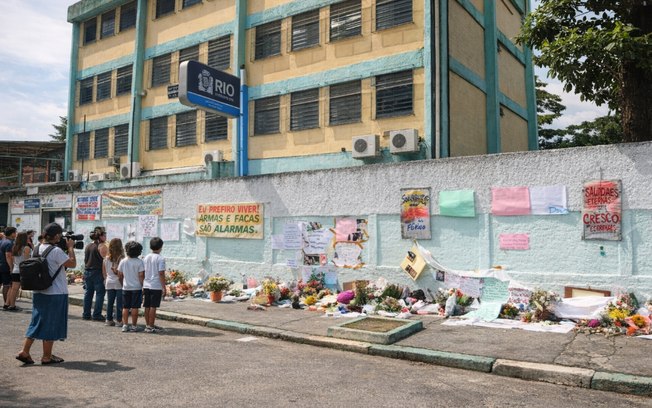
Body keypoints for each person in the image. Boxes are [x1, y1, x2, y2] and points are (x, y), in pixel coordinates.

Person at [16, 222, 76, 365]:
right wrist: (70, 248)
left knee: (37, 321)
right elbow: (72, 264)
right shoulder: (56, 251)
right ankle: (46, 356)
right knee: (51, 324)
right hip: (56, 292)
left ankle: (25, 351)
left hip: (39, 290)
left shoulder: (37, 248)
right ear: (56, 236)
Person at [117, 241, 144, 332]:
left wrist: (122, 283)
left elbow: (120, 275)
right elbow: (141, 275)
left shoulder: (123, 261)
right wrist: (142, 285)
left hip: (126, 287)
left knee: (125, 307)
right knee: (135, 307)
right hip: (137, 287)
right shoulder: (140, 262)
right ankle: (134, 325)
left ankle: (125, 325)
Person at [83, 227, 108, 321]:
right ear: (100, 237)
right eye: (104, 235)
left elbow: (86, 260)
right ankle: (97, 314)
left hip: (87, 271)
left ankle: (86, 314)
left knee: (88, 293)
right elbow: (105, 260)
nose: (105, 236)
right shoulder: (101, 246)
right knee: (100, 294)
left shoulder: (88, 246)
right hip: (97, 271)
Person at [143, 237, 166, 333]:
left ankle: (148, 324)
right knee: (153, 306)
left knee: (147, 306)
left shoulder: (146, 257)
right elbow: (161, 273)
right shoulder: (160, 258)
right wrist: (164, 287)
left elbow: (143, 271)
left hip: (146, 284)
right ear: (161, 247)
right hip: (155, 285)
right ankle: (151, 326)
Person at [102, 238, 124, 327]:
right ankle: (119, 320)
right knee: (119, 303)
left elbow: (104, 272)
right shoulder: (122, 258)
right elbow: (121, 273)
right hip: (118, 282)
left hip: (109, 281)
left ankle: (109, 319)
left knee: (110, 302)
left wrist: (106, 279)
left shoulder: (106, 258)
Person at [7, 232, 31, 311]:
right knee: (16, 289)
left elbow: (13, 259)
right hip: (22, 270)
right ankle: (12, 305)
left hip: (15, 269)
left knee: (14, 289)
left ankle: (12, 305)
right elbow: (26, 260)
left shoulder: (15, 247)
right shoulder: (26, 248)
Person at [0, 227, 17, 309]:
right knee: (7, 285)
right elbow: (8, 256)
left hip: (1, 264)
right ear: (12, 233)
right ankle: (7, 303)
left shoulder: (2, 241)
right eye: (15, 232)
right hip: (5, 266)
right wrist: (11, 267)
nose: (16, 234)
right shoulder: (10, 243)